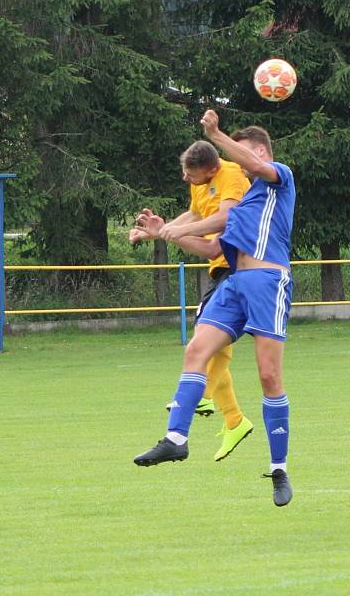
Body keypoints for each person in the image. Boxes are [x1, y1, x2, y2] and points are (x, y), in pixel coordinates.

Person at [132, 110, 296, 508]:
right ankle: (176, 439)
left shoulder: (279, 177)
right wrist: (164, 233)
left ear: (256, 150)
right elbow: (210, 248)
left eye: (241, 154)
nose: (235, 165)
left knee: (268, 375)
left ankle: (279, 469)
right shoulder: (240, 205)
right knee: (195, 351)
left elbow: (254, 164)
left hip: (267, 282)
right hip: (235, 283)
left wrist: (216, 134)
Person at [129, 140, 254, 462]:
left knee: (204, 343)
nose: (186, 179)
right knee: (206, 342)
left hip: (244, 270)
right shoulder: (203, 184)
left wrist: (172, 235)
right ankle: (232, 419)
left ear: (212, 169)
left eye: (191, 173)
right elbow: (195, 214)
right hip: (225, 272)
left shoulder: (232, 176)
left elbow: (218, 238)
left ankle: (204, 397)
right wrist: (161, 231)